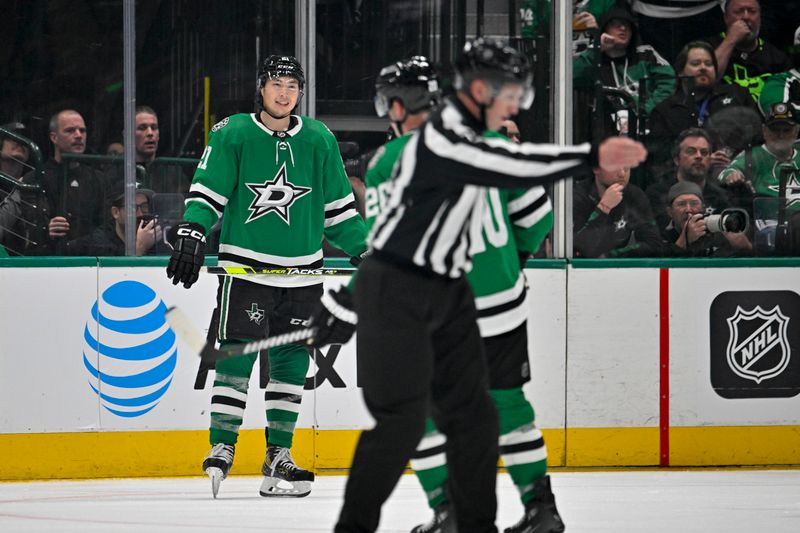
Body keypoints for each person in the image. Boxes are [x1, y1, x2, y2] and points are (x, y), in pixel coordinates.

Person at [308, 37, 646, 533]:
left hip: (434, 309)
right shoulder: (491, 144)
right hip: (501, 301)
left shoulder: (388, 162)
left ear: (398, 107)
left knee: (419, 411)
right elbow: (536, 216)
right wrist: (508, 263)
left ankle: (448, 510)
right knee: (505, 402)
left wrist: (348, 303)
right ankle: (540, 508)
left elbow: (389, 249)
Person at [165, 54, 368, 499]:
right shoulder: (233, 132)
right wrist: (193, 229)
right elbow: (207, 191)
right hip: (247, 272)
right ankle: (222, 445)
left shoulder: (319, 139)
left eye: (293, 86)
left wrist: (365, 248)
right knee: (237, 357)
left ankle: (279, 454)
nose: (284, 93)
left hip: (303, 276)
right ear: (261, 87)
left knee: (292, 366)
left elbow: (339, 212)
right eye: (276, 83)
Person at [647, 41, 758, 181]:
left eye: (708, 64)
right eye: (695, 64)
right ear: (681, 72)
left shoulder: (738, 97)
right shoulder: (665, 111)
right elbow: (660, 163)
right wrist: (703, 161)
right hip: (685, 184)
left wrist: (736, 164)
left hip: (737, 177)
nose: (703, 68)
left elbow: (757, 142)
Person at [573, 6, 676, 139]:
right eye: (616, 25)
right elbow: (573, 77)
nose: (623, 28)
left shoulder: (646, 54)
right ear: (604, 29)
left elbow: (669, 82)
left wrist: (644, 110)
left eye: (627, 25)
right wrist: (597, 49)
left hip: (649, 125)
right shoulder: (595, 61)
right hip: (607, 131)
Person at [718, 102, 800, 252]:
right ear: (764, 131)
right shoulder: (751, 157)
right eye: (774, 130)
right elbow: (724, 173)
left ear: (796, 131)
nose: (780, 135)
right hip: (768, 225)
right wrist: (732, 175)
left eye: (786, 130)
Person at [26, 109, 107, 253]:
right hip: (48, 261)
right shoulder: (35, 178)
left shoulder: (98, 179)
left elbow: (107, 224)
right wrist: (46, 229)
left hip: (92, 261)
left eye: (82, 131)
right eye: (70, 131)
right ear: (54, 138)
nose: (78, 135)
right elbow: (27, 226)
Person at [646, 128, 740, 234]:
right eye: (691, 151)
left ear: (709, 160)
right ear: (677, 159)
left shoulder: (721, 196)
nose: (699, 156)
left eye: (704, 152)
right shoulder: (656, 195)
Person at [708, 0, 791, 101]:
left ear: (759, 18)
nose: (746, 17)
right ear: (726, 18)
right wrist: (730, 40)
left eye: (752, 11)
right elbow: (706, 78)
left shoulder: (777, 58)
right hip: (722, 113)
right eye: (738, 11)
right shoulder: (709, 47)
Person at [573, 165, 663, 257]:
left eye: (626, 168)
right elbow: (577, 250)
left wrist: (611, 256)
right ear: (596, 168)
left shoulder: (634, 195)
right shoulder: (576, 197)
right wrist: (604, 208)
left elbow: (654, 244)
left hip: (617, 267)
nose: (622, 174)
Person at [64, 182, 161, 256]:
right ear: (116, 213)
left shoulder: (152, 237)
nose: (140, 214)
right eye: (132, 207)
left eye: (144, 207)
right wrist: (140, 248)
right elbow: (122, 277)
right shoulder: (99, 244)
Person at [663, 180, 744, 256]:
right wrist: (684, 240)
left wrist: (745, 247)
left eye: (694, 203)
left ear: (703, 208)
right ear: (670, 212)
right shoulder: (661, 236)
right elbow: (661, 267)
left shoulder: (715, 233)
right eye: (681, 204)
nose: (688, 209)